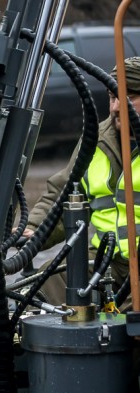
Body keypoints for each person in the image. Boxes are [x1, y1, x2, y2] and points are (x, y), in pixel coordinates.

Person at [22, 56, 140, 308]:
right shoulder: (96, 140)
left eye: (129, 97)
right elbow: (63, 195)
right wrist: (33, 230)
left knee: (129, 317)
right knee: (44, 284)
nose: (118, 107)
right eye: (112, 96)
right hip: (108, 262)